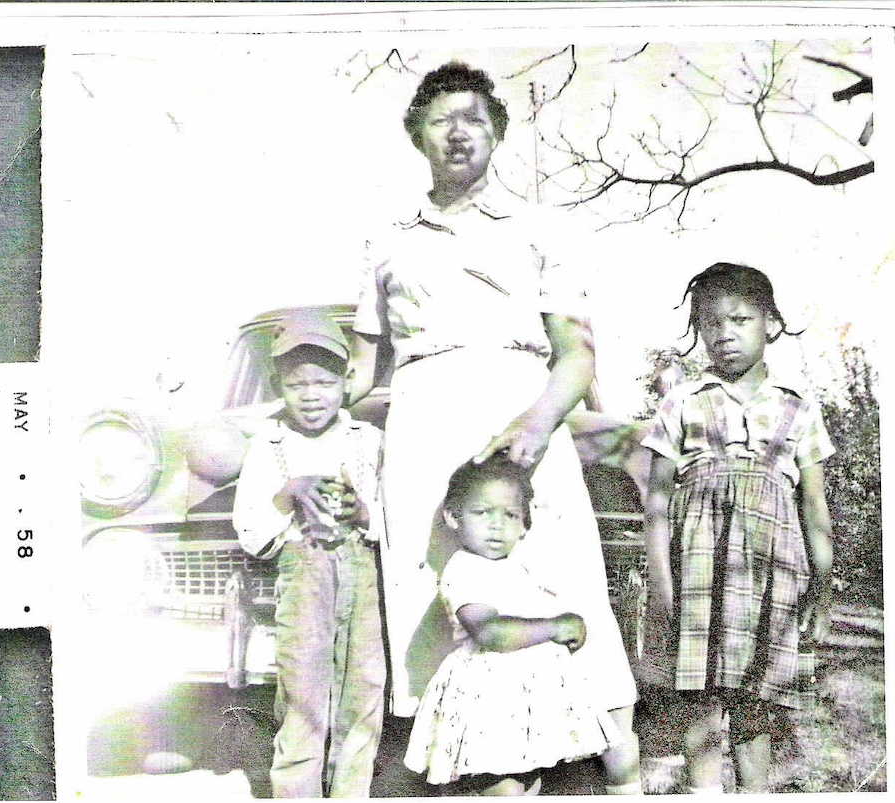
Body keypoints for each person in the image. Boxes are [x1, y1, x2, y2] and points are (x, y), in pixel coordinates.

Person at [347, 62, 640, 794]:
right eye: (440, 119)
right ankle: (480, 767)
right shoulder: (386, 240)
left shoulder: (543, 227)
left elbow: (575, 356)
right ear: (417, 135)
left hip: (524, 411)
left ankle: (613, 758)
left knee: (563, 577)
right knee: (434, 590)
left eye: (473, 118)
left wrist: (538, 425)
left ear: (498, 133)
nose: (457, 132)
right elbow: (359, 380)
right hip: (422, 421)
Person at [641, 263, 835, 793]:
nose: (723, 333)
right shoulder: (682, 400)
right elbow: (657, 499)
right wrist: (661, 582)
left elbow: (814, 505)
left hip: (774, 570)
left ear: (770, 324)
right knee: (701, 699)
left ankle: (754, 793)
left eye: (740, 319)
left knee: (757, 701)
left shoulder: (797, 406)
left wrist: (821, 584)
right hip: (699, 569)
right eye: (709, 323)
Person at [404, 456, 626, 795]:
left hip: (528, 701)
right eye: (482, 513)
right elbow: (491, 632)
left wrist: (569, 630)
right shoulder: (466, 569)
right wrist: (554, 627)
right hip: (489, 700)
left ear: (525, 525)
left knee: (529, 782)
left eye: (509, 515)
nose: (496, 525)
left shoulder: (518, 568)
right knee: (502, 785)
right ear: (453, 516)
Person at [232, 309, 386, 798]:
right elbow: (253, 534)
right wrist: (289, 491)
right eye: (298, 384)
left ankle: (349, 793)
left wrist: (364, 512)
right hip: (303, 580)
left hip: (363, 575)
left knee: (363, 692)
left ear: (345, 382)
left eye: (323, 382)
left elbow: (390, 521)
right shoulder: (268, 445)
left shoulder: (370, 441)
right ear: (280, 385)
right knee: (301, 696)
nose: (312, 395)